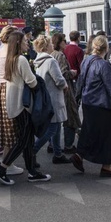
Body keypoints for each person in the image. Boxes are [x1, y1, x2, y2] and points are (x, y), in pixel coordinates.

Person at [0, 31, 51, 185]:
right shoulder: (21, 60)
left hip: (13, 102)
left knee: (28, 140)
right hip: (22, 105)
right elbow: (32, 82)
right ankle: (2, 168)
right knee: (23, 140)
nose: (28, 42)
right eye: (25, 40)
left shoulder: (10, 59)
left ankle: (32, 172)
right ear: (18, 42)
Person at [71, 35, 111, 177]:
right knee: (107, 136)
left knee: (89, 131)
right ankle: (107, 167)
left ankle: (79, 154)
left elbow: (80, 81)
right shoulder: (104, 65)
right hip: (102, 104)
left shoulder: (86, 61)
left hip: (88, 102)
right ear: (106, 48)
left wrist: (78, 97)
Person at [32, 35, 70, 164]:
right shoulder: (51, 61)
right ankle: (33, 151)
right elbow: (59, 80)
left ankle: (58, 153)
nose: (52, 46)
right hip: (54, 97)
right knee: (53, 128)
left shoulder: (38, 61)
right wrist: (65, 85)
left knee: (56, 126)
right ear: (46, 46)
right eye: (50, 44)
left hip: (45, 97)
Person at [0, 25, 22, 176]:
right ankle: (7, 162)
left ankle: (5, 159)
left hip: (0, 87)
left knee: (5, 127)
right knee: (12, 127)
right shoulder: (10, 52)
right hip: (9, 88)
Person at [51, 33, 80, 154]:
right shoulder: (60, 56)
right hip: (66, 90)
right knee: (71, 117)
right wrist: (72, 73)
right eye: (64, 41)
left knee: (56, 120)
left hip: (56, 91)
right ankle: (68, 145)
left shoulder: (52, 55)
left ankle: (53, 145)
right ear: (59, 42)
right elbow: (62, 74)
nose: (66, 43)